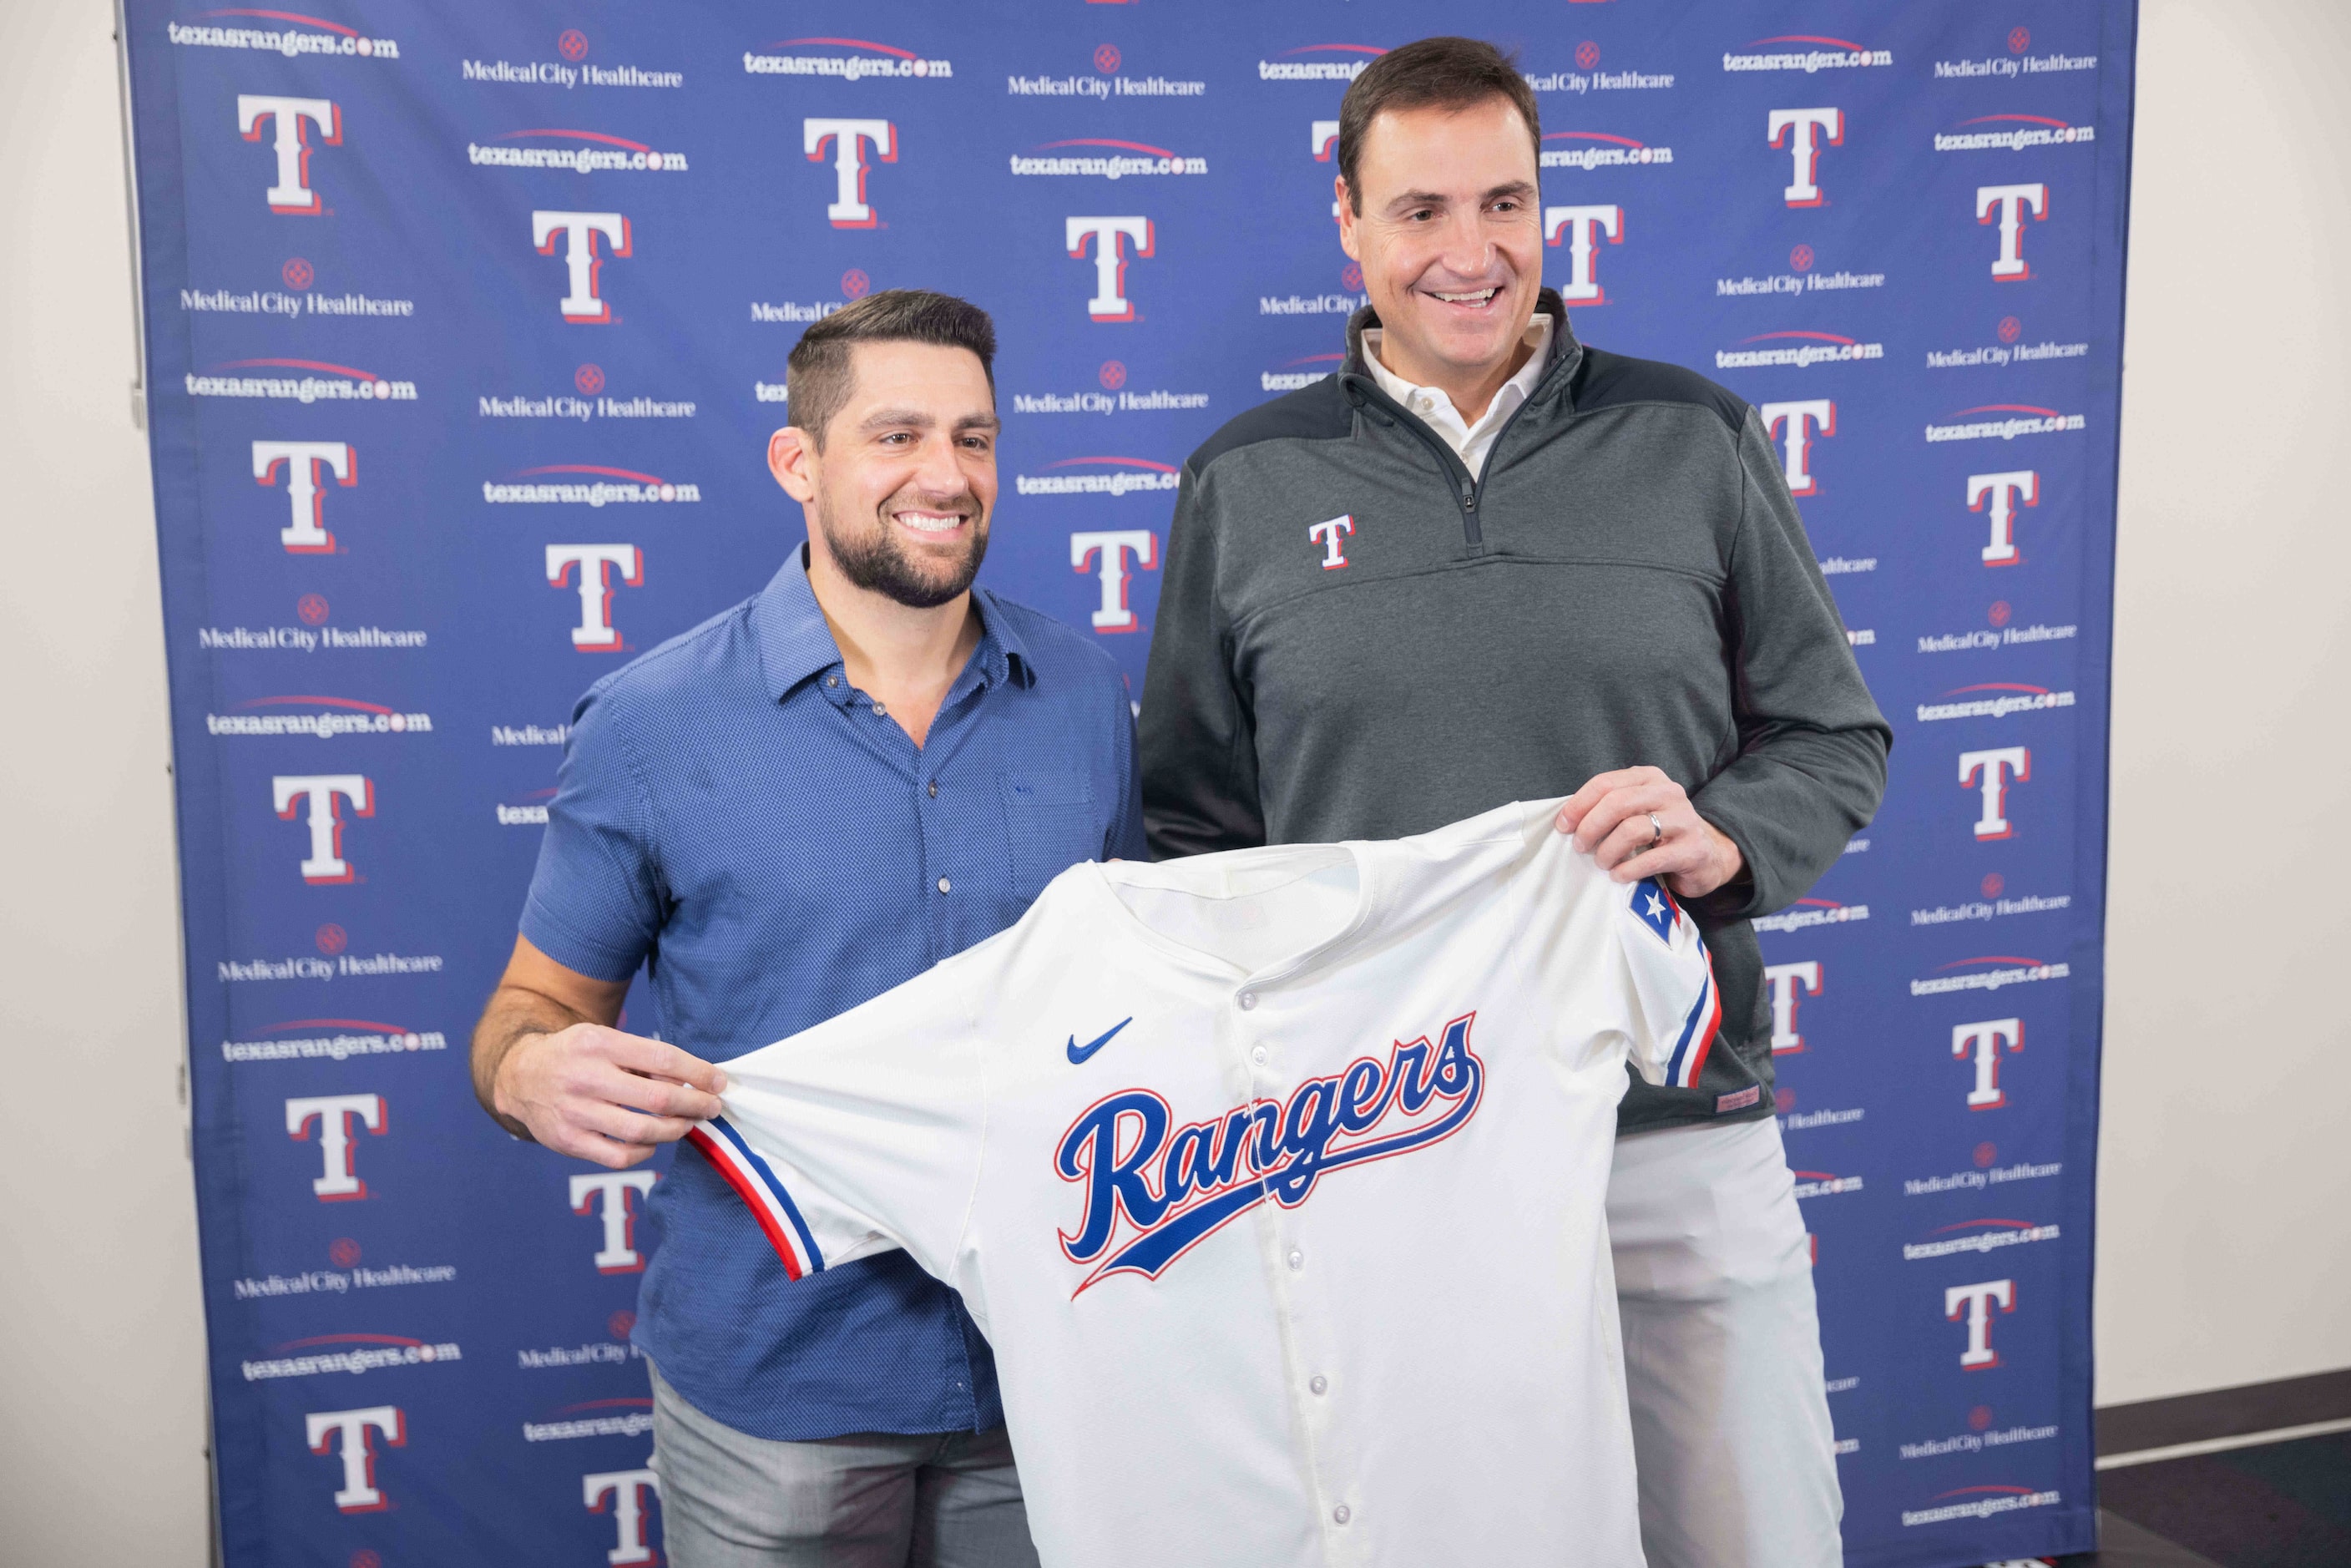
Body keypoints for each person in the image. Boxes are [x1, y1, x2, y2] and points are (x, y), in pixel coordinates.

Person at [1137, 37, 1890, 1568]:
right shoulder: (1243, 482)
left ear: (1550, 212)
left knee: (1755, 1542)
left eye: (1506, 202)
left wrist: (1729, 837)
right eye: (1420, 211)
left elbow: (1833, 735)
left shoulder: (1696, 436)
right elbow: (1192, 838)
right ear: (1348, 223)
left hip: (1674, 1129)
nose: (1469, 253)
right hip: (1388, 1151)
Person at [470, 289, 1143, 1568]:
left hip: (1053, 1366)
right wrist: (526, 1070)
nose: (945, 476)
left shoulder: (1084, 694)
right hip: (776, 1395)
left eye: (975, 438)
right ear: (799, 461)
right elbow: (528, 1013)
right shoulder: (654, 722)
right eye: (896, 436)